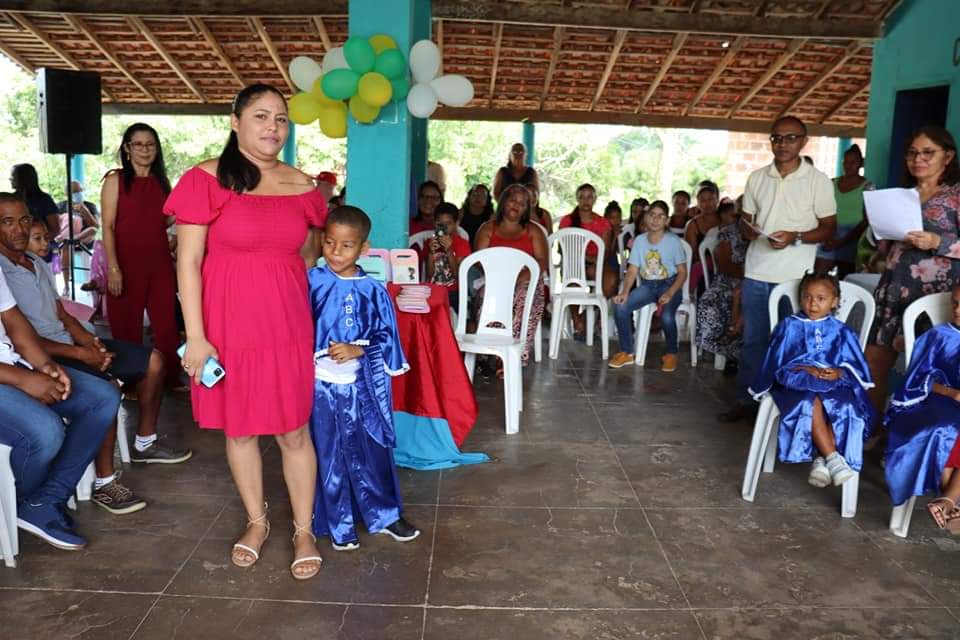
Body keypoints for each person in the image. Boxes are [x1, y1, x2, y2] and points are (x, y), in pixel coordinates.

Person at [167, 83, 326, 580]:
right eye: (261, 116)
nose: (272, 128)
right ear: (235, 122)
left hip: (286, 324)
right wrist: (196, 335)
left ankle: (304, 529)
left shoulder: (303, 186)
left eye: (280, 119)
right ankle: (256, 523)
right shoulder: (204, 180)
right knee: (240, 429)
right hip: (227, 325)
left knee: (293, 428)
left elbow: (309, 256)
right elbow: (189, 262)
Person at [0, 196, 191, 516]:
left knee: (154, 360)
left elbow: (62, 314)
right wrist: (79, 354)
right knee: (106, 392)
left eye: (24, 221)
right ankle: (104, 482)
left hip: (67, 346)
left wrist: (90, 343)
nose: (21, 230)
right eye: (9, 222)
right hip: (46, 353)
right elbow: (24, 340)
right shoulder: (3, 271)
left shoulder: (38, 264)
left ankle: (145, 442)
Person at [308, 206, 420, 550]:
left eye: (346, 245)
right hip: (319, 387)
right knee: (328, 456)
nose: (336, 252)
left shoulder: (374, 290)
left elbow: (388, 338)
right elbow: (294, 325)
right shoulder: (312, 281)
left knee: (371, 451)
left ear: (363, 248)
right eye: (329, 243)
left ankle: (385, 515)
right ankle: (338, 525)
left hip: (362, 389)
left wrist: (359, 350)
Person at [720, 116, 838, 423]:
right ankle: (747, 400)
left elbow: (828, 229)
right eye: (777, 138)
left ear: (803, 141)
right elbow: (745, 224)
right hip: (758, 270)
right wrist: (755, 232)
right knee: (754, 341)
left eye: (790, 138)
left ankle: (787, 406)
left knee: (790, 342)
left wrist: (795, 236)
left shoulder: (818, 181)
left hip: (796, 276)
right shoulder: (758, 177)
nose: (783, 144)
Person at [0, 265, 119, 550]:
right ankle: (19, 504)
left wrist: (45, 366)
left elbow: (12, 319)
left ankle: (45, 500)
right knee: (44, 431)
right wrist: (24, 378)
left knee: (101, 398)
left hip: (13, 361)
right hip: (9, 373)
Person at [865, 125, 960, 424]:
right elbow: (886, 243)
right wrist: (880, 229)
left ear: (948, 156)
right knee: (874, 362)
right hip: (893, 289)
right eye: (912, 153)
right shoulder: (902, 195)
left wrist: (938, 242)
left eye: (927, 152)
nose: (918, 159)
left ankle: (908, 439)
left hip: (935, 297)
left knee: (925, 369)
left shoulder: (955, 197)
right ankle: (869, 430)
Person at [748, 271, 874, 487]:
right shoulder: (789, 326)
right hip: (796, 383)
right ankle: (834, 459)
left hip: (833, 382)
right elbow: (777, 360)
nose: (813, 304)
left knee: (846, 406)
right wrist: (805, 368)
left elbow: (855, 365)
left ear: (835, 302)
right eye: (807, 297)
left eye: (821, 299)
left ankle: (822, 459)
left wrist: (839, 372)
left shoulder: (841, 331)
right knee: (811, 399)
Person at [100, 123, 181, 388]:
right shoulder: (115, 180)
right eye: (139, 144)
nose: (145, 150)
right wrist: (113, 268)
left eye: (150, 144)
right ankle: (131, 384)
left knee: (167, 326)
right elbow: (108, 227)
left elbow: (167, 221)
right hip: (124, 265)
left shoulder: (161, 183)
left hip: (159, 266)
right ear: (127, 148)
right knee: (126, 327)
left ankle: (168, 380)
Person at [883, 283, 960, 528]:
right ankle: (951, 504)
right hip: (935, 402)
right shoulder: (938, 336)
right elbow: (915, 379)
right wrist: (951, 392)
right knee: (946, 429)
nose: (958, 310)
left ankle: (947, 503)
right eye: (955, 303)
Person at [475, 183, 549, 367]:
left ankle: (514, 358)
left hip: (526, 280)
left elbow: (541, 261)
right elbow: (478, 260)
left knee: (525, 297)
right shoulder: (487, 228)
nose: (516, 205)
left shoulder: (534, 230)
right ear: (503, 201)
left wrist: (518, 278)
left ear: (527, 209)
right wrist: (502, 280)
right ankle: (492, 352)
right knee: (490, 298)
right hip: (494, 282)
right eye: (512, 200)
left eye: (522, 203)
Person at [609, 200, 688, 373]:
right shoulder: (639, 241)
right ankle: (626, 351)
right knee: (620, 306)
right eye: (652, 215)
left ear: (667, 221)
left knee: (667, 317)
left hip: (670, 284)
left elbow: (682, 272)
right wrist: (624, 292)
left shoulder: (673, 242)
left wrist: (670, 292)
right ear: (645, 217)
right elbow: (632, 271)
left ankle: (671, 353)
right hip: (647, 285)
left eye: (661, 216)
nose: (655, 219)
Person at [558, 184, 617, 337]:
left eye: (589, 197)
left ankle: (587, 317)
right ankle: (576, 320)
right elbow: (562, 248)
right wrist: (584, 257)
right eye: (582, 197)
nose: (586, 201)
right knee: (573, 282)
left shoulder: (602, 223)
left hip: (596, 264)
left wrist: (593, 259)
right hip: (572, 264)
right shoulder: (567, 221)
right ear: (577, 199)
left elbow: (606, 251)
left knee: (611, 282)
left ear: (595, 199)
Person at [695, 200, 747, 374]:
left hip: (755, 281)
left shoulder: (763, 235)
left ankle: (741, 355)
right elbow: (724, 264)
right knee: (711, 300)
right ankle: (723, 351)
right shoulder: (728, 232)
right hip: (729, 278)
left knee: (750, 300)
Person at [815, 145, 872, 277]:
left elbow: (866, 221)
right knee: (818, 277)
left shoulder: (868, 187)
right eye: (845, 162)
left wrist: (842, 241)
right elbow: (820, 211)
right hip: (829, 234)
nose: (848, 166)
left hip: (853, 237)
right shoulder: (831, 183)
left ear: (861, 164)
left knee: (845, 281)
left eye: (853, 162)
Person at [425, 202, 471, 309]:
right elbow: (429, 274)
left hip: (454, 292)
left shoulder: (462, 244)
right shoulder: (430, 243)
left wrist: (449, 251)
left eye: (448, 223)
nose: (443, 228)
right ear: (434, 223)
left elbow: (457, 274)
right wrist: (431, 253)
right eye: (439, 224)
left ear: (456, 224)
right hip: (433, 290)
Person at [684, 181, 721, 295]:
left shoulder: (725, 219)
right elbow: (693, 255)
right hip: (703, 270)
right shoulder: (692, 225)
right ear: (698, 203)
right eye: (703, 200)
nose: (707, 203)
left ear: (717, 200)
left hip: (725, 266)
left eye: (710, 199)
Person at [11, 164, 58, 237]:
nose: (10, 179)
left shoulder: (44, 200)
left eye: (13, 176)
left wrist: (38, 240)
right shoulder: (11, 199)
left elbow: (55, 229)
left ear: (23, 178)